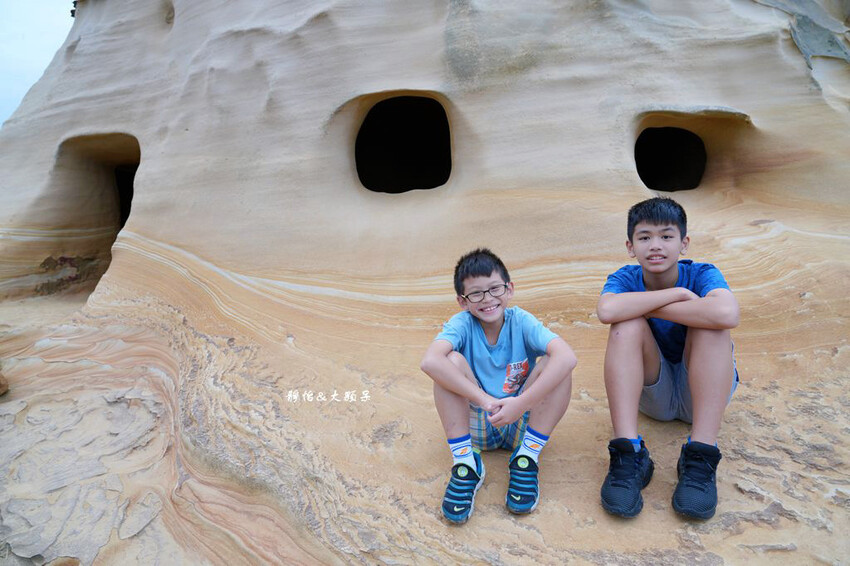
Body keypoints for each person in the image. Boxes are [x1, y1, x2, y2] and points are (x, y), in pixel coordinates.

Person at [596, 197, 739, 520]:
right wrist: (678, 295)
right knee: (625, 326)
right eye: (645, 237)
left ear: (684, 243)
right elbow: (607, 311)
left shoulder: (702, 273)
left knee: (713, 328)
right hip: (654, 396)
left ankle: (701, 456)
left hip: (700, 397)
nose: (655, 245)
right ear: (630, 246)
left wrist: (646, 306)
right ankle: (628, 454)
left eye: (666, 236)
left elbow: (727, 313)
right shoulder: (625, 278)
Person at [421, 248, 576, 524]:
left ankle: (526, 456)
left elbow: (567, 357)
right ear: (462, 301)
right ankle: (466, 462)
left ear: (509, 289)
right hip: (479, 422)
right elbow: (430, 361)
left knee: (556, 362)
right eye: (476, 294)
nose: (487, 299)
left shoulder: (521, 321)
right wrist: (485, 400)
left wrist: (521, 404)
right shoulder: (462, 324)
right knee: (449, 361)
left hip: (521, 420)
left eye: (495, 289)